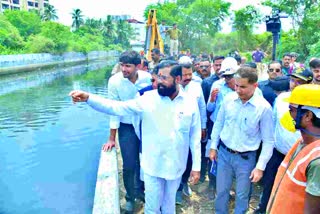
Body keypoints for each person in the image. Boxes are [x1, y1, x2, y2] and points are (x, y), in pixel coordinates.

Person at [69, 65, 201, 214]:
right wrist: (89, 98)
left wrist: (196, 167)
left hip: (176, 166)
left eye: (164, 78)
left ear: (177, 79)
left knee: (169, 206)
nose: (158, 81)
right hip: (153, 166)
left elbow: (194, 136)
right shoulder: (147, 100)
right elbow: (116, 107)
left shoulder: (190, 102)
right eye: (157, 76)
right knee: (152, 208)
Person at [209, 67, 274, 214]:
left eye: (243, 87)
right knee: (221, 192)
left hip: (246, 159)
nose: (238, 90)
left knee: (242, 195)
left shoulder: (263, 108)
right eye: (236, 85)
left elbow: (268, 141)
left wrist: (260, 167)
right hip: (224, 154)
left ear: (255, 85)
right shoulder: (228, 99)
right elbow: (219, 123)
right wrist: (213, 146)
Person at [254, 66, 313, 214]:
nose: (294, 84)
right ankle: (264, 209)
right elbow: (272, 123)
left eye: (300, 82)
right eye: (293, 80)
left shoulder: (313, 106)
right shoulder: (281, 99)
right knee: (270, 184)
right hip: (278, 153)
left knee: (292, 189)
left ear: (309, 83)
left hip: (299, 156)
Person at [102, 51, 151, 212]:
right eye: (122, 65)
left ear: (138, 66)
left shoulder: (147, 78)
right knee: (129, 164)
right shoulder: (114, 82)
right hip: (126, 127)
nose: (124, 69)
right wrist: (111, 138)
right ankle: (130, 197)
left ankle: (143, 191)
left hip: (145, 125)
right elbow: (113, 109)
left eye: (128, 66)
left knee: (146, 162)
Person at [267, 84, 320, 214]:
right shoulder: (302, 142)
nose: (288, 114)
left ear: (308, 116)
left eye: (292, 110)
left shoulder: (317, 161)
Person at [176, 60, 207, 204]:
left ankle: (183, 183)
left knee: (190, 157)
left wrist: (203, 127)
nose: (188, 77)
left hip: (192, 129)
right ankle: (175, 188)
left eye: (190, 74)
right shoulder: (173, 88)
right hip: (176, 132)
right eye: (184, 74)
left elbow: (202, 108)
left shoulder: (196, 86)